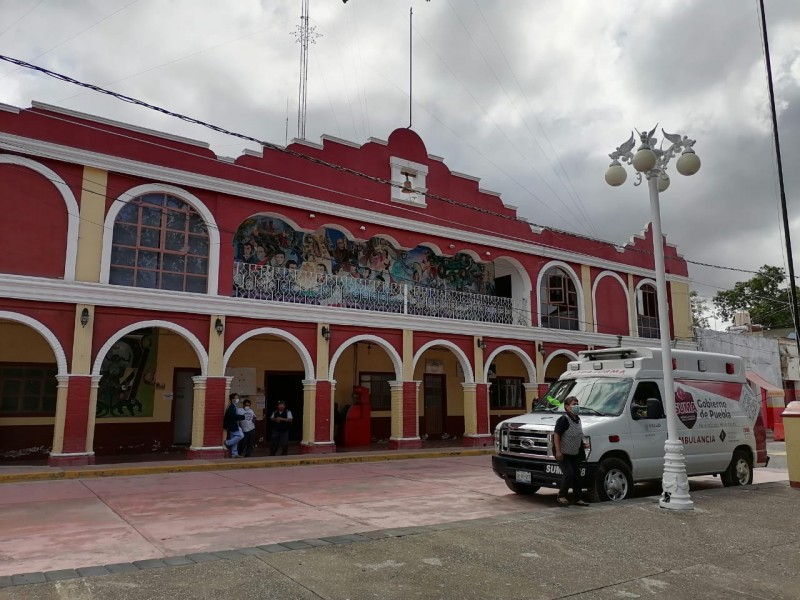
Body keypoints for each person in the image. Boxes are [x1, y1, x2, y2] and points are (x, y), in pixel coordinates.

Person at [552, 396, 590, 506]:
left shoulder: (578, 419)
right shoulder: (563, 420)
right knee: (569, 473)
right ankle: (562, 496)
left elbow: (577, 434)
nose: (576, 406)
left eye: (577, 403)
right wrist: (558, 451)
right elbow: (557, 435)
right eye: (573, 404)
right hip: (563, 452)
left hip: (574, 452)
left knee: (577, 475)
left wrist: (583, 444)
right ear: (567, 407)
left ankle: (577, 498)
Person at [223, 393, 245, 458]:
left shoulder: (234, 406)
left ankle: (234, 453)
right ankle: (227, 443)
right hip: (232, 425)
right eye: (236, 398)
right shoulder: (231, 407)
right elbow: (232, 416)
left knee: (235, 439)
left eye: (237, 398)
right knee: (241, 435)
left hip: (235, 425)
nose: (237, 399)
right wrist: (242, 417)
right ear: (232, 399)